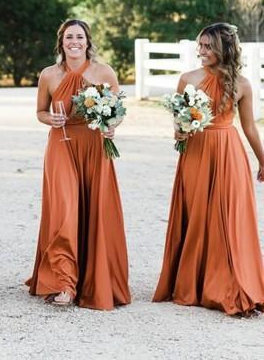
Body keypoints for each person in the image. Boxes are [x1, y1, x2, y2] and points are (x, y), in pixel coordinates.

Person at [153, 22, 264, 315]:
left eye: (207, 46)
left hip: (229, 151)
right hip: (197, 152)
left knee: (228, 217)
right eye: (199, 45)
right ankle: (195, 282)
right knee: (199, 214)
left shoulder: (242, 84)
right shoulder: (187, 79)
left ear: (223, 48)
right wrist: (178, 131)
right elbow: (179, 120)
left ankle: (228, 282)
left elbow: (250, 128)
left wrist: (263, 161)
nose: (200, 51)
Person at [26, 19, 131, 310]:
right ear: (61, 41)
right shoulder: (48, 75)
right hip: (61, 142)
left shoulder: (104, 72)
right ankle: (63, 282)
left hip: (95, 145)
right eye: (69, 37)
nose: (75, 42)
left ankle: (93, 278)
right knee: (64, 209)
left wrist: (112, 126)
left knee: (96, 209)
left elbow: (118, 111)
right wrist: (51, 118)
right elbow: (40, 112)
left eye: (80, 37)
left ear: (88, 41)